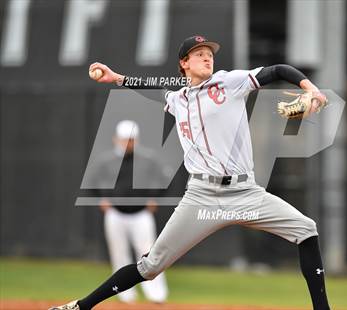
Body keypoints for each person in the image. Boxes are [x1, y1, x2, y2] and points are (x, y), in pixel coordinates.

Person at [50, 35, 330, 310]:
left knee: (306, 229)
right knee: (149, 267)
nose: (207, 56)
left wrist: (311, 89)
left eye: (209, 53)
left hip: (245, 193)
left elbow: (278, 70)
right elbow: (151, 88)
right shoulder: (177, 99)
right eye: (199, 53)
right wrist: (116, 78)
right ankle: (81, 307)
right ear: (184, 63)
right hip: (201, 196)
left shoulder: (228, 82)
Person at [87, 120, 168, 304]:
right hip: (115, 214)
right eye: (124, 139)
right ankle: (125, 294)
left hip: (141, 214)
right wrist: (102, 198)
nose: (128, 143)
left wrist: (154, 197)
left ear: (136, 140)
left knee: (150, 254)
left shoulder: (147, 160)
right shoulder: (106, 162)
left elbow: (163, 180)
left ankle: (156, 294)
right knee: (119, 253)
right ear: (117, 139)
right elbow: (93, 182)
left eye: (131, 140)